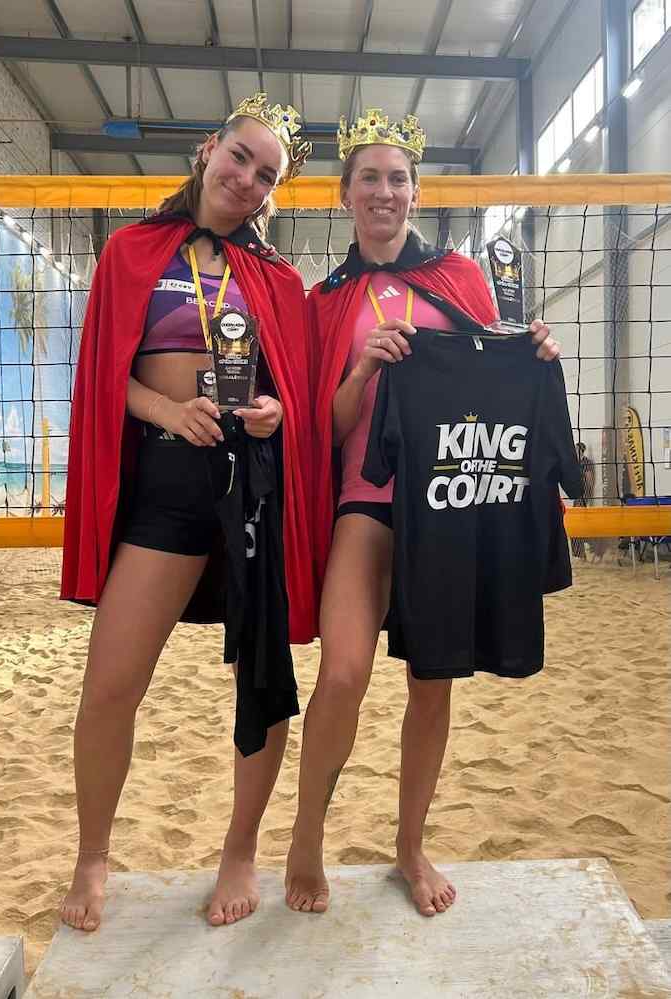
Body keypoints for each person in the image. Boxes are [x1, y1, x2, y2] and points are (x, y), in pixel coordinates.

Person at [285, 108, 561, 917]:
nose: (384, 191)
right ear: (344, 194)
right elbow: (322, 430)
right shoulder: (324, 301)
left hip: (448, 503)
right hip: (366, 499)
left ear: (416, 192)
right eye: (368, 178)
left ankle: (409, 845)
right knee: (342, 673)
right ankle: (306, 835)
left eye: (397, 178)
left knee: (431, 682)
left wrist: (535, 354)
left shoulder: (461, 278)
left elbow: (498, 377)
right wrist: (362, 370)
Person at [59, 93, 316, 931]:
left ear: (272, 193)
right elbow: (106, 377)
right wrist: (168, 410)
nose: (247, 179)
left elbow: (291, 390)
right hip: (167, 482)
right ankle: (92, 853)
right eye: (240, 157)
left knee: (262, 684)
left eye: (265, 175)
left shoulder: (277, 279)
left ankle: (240, 850)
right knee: (110, 685)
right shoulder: (133, 251)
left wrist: (275, 410)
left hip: (250, 484)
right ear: (209, 150)